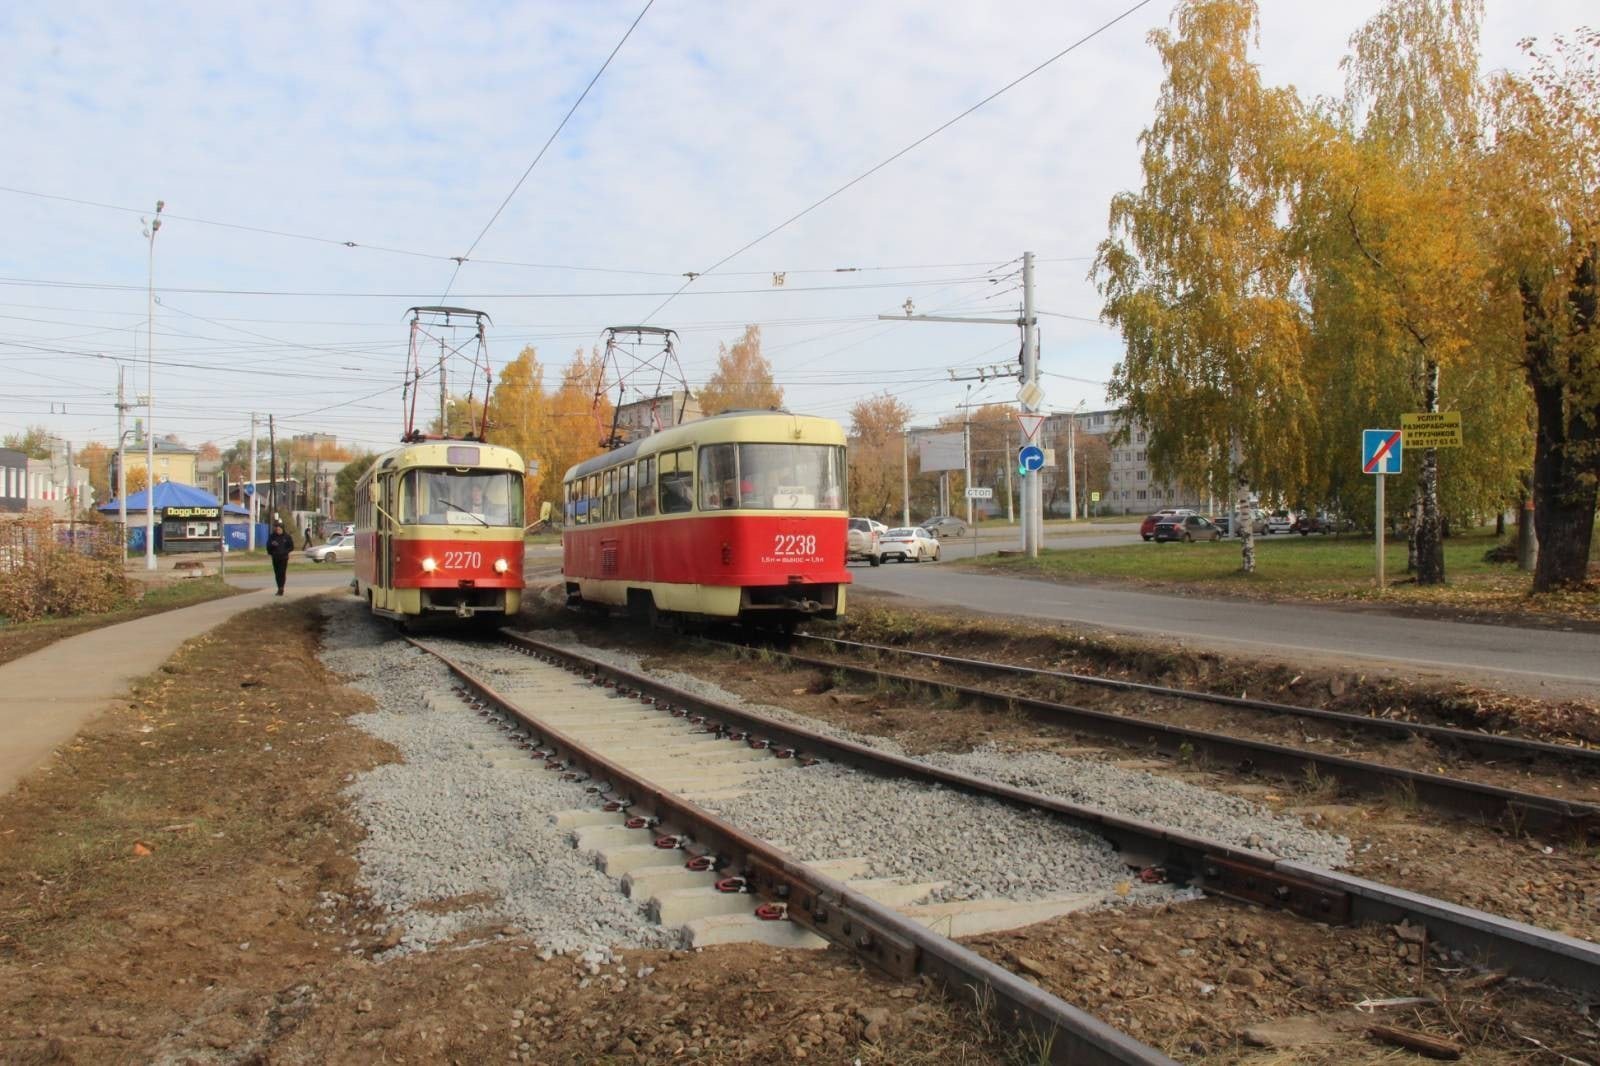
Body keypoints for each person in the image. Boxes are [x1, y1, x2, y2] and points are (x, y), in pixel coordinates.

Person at [266, 520, 294, 596]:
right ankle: (279, 587)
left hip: (284, 558)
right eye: (277, 529)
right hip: (275, 557)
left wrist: (285, 551)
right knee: (277, 573)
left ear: (282, 529)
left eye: (279, 529)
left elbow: (291, 547)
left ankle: (281, 588)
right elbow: (268, 546)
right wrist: (272, 547)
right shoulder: (272, 536)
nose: (278, 531)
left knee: (282, 573)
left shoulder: (287, 537)